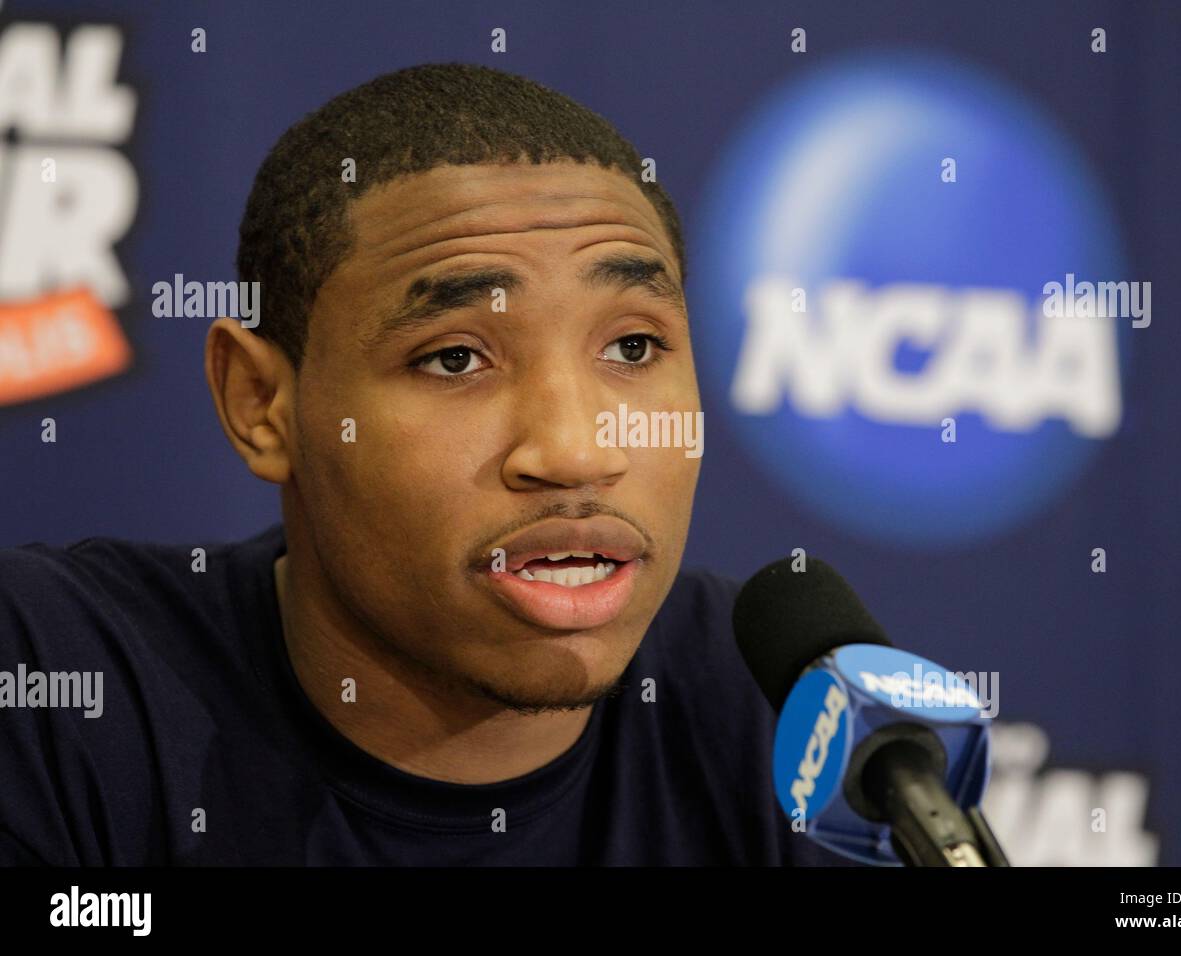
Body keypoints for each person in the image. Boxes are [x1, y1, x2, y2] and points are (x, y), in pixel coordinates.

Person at [0, 62, 856, 865]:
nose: (577, 451)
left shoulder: (785, 707)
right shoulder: (61, 687)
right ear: (262, 405)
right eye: (455, 359)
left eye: (633, 346)